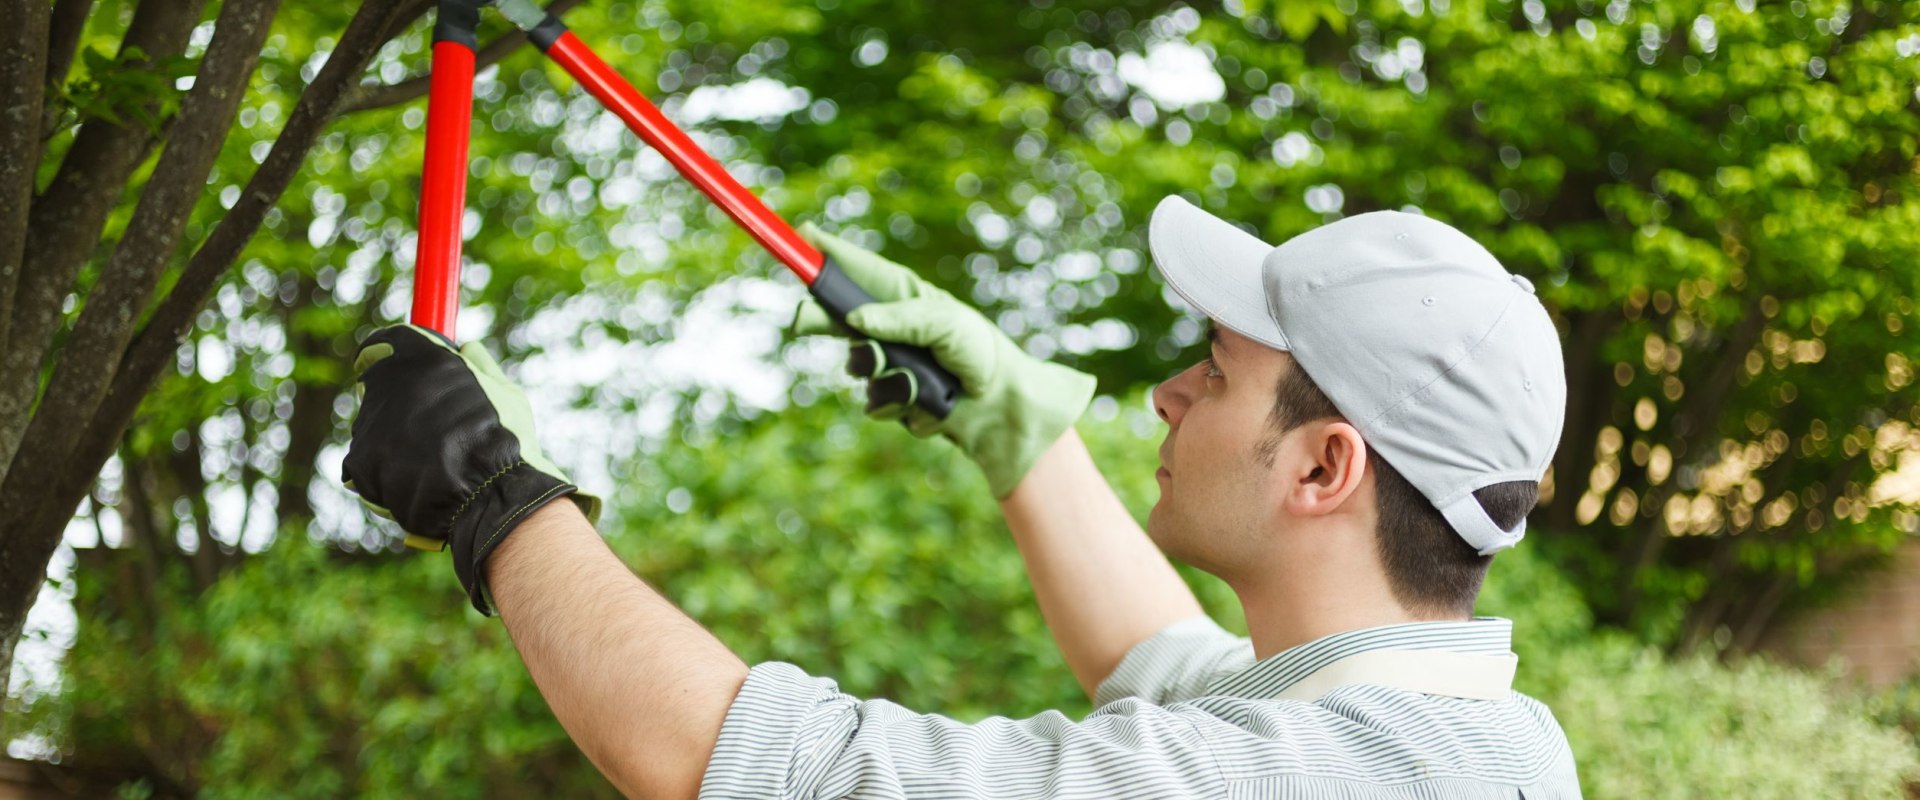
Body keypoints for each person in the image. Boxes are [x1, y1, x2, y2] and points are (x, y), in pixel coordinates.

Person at [343, 195, 1581, 799]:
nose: (1165, 394)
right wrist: (1012, 426)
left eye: (1214, 371)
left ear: (1324, 466)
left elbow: (780, 770)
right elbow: (1155, 660)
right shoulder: (1457, 732)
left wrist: (493, 495)